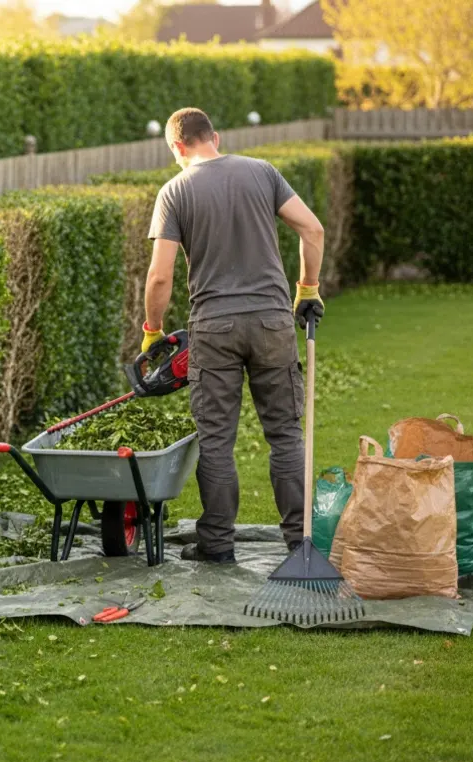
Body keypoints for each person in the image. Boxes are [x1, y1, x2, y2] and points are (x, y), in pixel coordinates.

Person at [142, 107, 326, 564]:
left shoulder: (174, 190)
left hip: (215, 327)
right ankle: (298, 544)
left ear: (177, 148)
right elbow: (313, 228)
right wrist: (307, 289)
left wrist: (153, 332)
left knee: (217, 439)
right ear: (216, 138)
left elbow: (160, 277)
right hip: (271, 322)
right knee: (285, 434)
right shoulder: (262, 173)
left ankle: (218, 546)